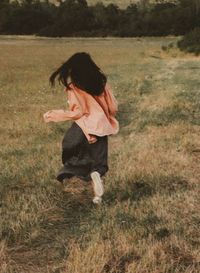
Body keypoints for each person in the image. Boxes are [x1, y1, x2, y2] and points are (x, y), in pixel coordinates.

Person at [43, 52, 119, 204]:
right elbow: (113, 107)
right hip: (101, 126)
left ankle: (76, 178)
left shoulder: (75, 87)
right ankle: (96, 183)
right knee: (100, 162)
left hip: (83, 126)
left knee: (72, 152)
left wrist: (54, 115)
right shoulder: (101, 83)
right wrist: (106, 116)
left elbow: (79, 112)